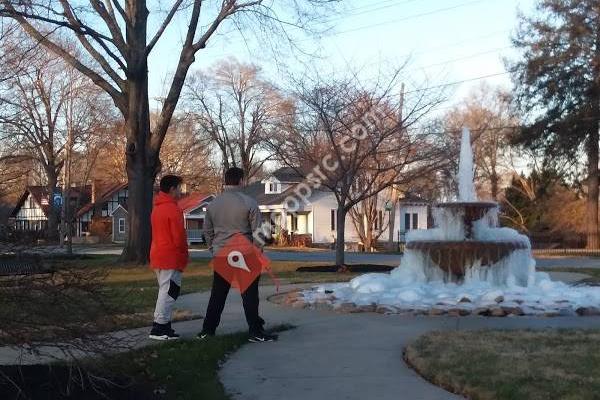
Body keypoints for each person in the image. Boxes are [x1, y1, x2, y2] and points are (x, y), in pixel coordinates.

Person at [199, 167, 277, 343]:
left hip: (222, 254)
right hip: (244, 254)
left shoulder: (213, 204)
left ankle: (207, 330)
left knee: (218, 295)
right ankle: (255, 332)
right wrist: (257, 252)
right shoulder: (249, 202)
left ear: (226, 181)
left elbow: (207, 231)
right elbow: (258, 233)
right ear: (241, 180)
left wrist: (214, 249)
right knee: (249, 296)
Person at [149, 175, 188, 340]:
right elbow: (179, 237)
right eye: (179, 187)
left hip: (158, 254)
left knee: (164, 291)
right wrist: (183, 254)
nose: (181, 191)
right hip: (170, 256)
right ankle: (159, 327)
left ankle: (164, 325)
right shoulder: (173, 209)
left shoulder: (157, 208)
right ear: (172, 189)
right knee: (169, 292)